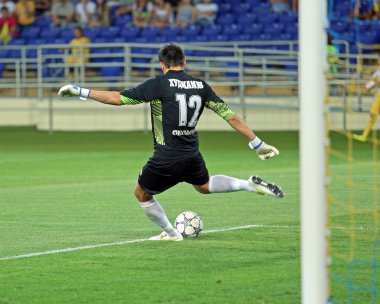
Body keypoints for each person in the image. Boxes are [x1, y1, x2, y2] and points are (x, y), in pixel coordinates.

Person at [58, 43, 284, 242]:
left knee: (141, 194)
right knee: (203, 186)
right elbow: (230, 116)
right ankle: (247, 184)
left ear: (162, 65)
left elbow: (119, 99)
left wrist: (81, 91)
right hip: (191, 154)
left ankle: (172, 233)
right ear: (184, 62)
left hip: (166, 156)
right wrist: (257, 143)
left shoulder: (159, 84)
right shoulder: (201, 86)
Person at [354, 55, 380, 142]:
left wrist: (375, 83)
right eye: (378, 59)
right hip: (379, 96)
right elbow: (372, 83)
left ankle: (364, 136)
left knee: (373, 114)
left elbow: (377, 82)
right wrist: (367, 87)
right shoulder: (377, 73)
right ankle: (364, 136)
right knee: (372, 115)